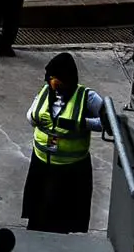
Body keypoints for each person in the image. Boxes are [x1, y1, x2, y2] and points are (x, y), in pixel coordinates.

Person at [20, 53, 103, 235]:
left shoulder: (87, 97)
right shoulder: (44, 92)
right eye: (50, 80)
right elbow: (30, 115)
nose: (53, 85)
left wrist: (82, 123)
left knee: (62, 223)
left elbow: (109, 122)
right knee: (37, 218)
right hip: (42, 166)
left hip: (70, 171)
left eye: (57, 81)